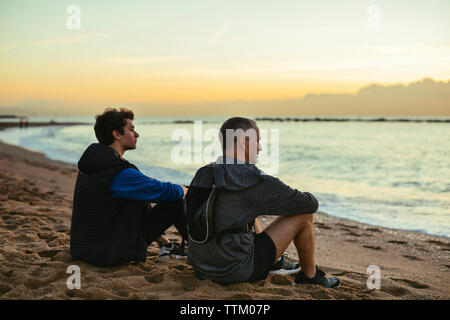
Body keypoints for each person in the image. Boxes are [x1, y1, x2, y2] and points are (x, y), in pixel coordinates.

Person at [187, 117, 340, 287]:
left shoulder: (203, 173)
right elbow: (310, 204)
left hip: (201, 267)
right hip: (236, 271)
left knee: (245, 209)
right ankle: (310, 277)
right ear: (245, 142)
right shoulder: (255, 180)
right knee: (304, 216)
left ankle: (275, 262)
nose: (260, 148)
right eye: (258, 141)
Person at [70, 108, 188, 267]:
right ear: (117, 134)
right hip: (108, 252)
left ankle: (165, 244)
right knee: (176, 200)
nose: (137, 134)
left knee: (137, 195)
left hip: (85, 248)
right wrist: (183, 190)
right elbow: (163, 192)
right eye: (131, 130)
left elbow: (143, 192)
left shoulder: (95, 164)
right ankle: (201, 250)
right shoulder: (118, 172)